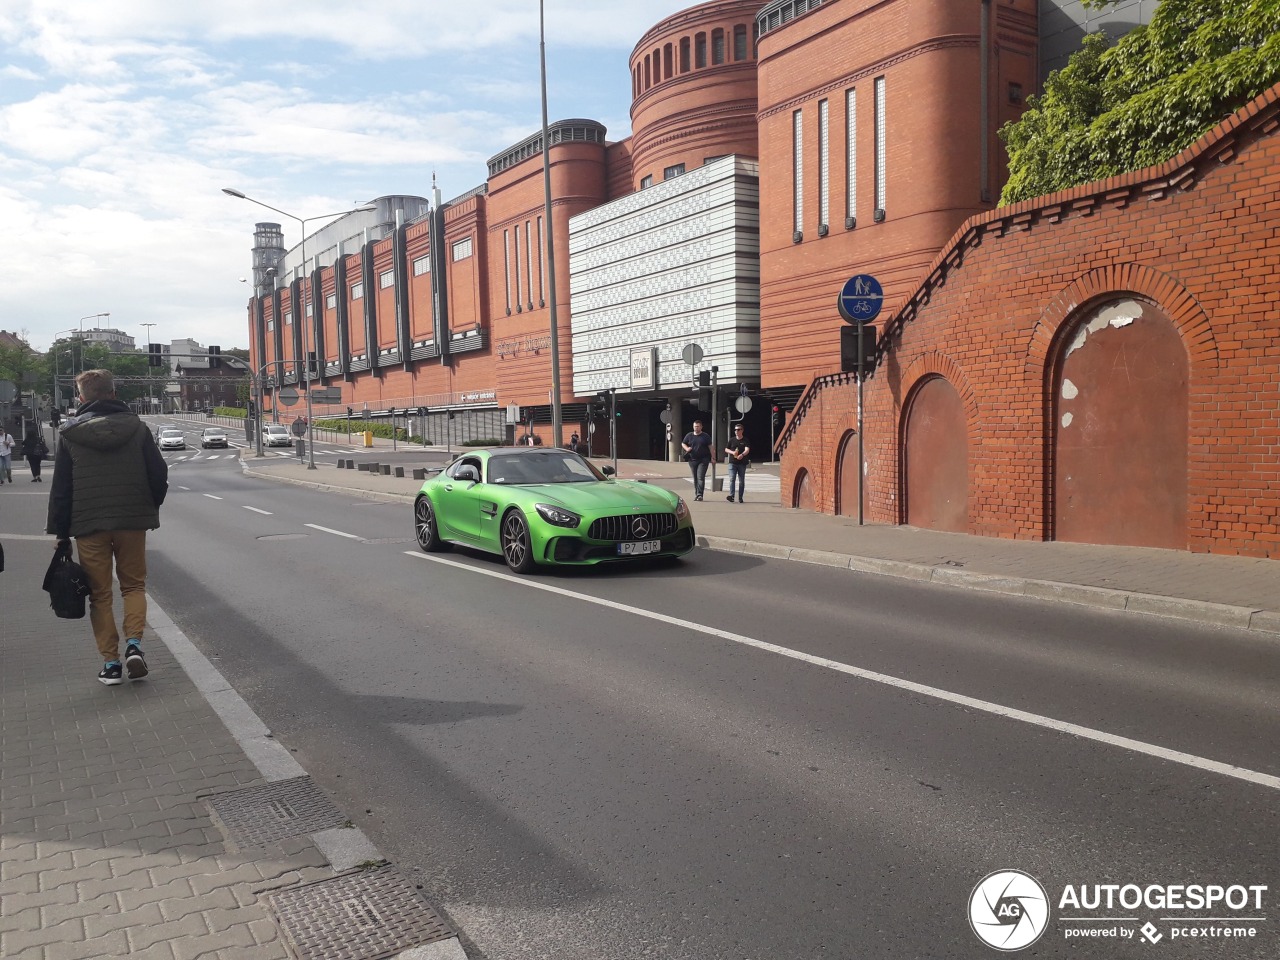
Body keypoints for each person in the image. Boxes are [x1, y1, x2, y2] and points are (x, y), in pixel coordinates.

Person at [47, 369, 168, 686]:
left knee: (99, 595)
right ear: (114, 394)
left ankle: (111, 664)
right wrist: (149, 506)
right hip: (131, 522)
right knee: (133, 587)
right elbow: (159, 474)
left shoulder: (70, 435)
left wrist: (60, 533)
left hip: (89, 525)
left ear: (82, 398)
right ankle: (134, 646)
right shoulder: (137, 428)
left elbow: (61, 489)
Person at [681, 419, 713, 501]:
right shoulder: (689, 435)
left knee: (700, 477)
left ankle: (700, 494)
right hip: (692, 460)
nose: (696, 428)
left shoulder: (705, 436)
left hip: (703, 460)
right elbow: (683, 443)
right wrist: (687, 448)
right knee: (695, 478)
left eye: (698, 426)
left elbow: (711, 447)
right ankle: (697, 494)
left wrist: (713, 458)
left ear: (701, 427)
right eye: (695, 426)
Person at [724, 423, 751, 503]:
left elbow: (747, 450)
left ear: (742, 430)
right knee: (732, 479)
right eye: (735, 429)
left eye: (738, 429)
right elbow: (726, 449)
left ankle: (740, 497)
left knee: (741, 481)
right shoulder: (732, 440)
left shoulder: (745, 440)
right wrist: (732, 452)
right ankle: (731, 496)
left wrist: (742, 455)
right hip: (732, 462)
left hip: (742, 463)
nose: (736, 431)